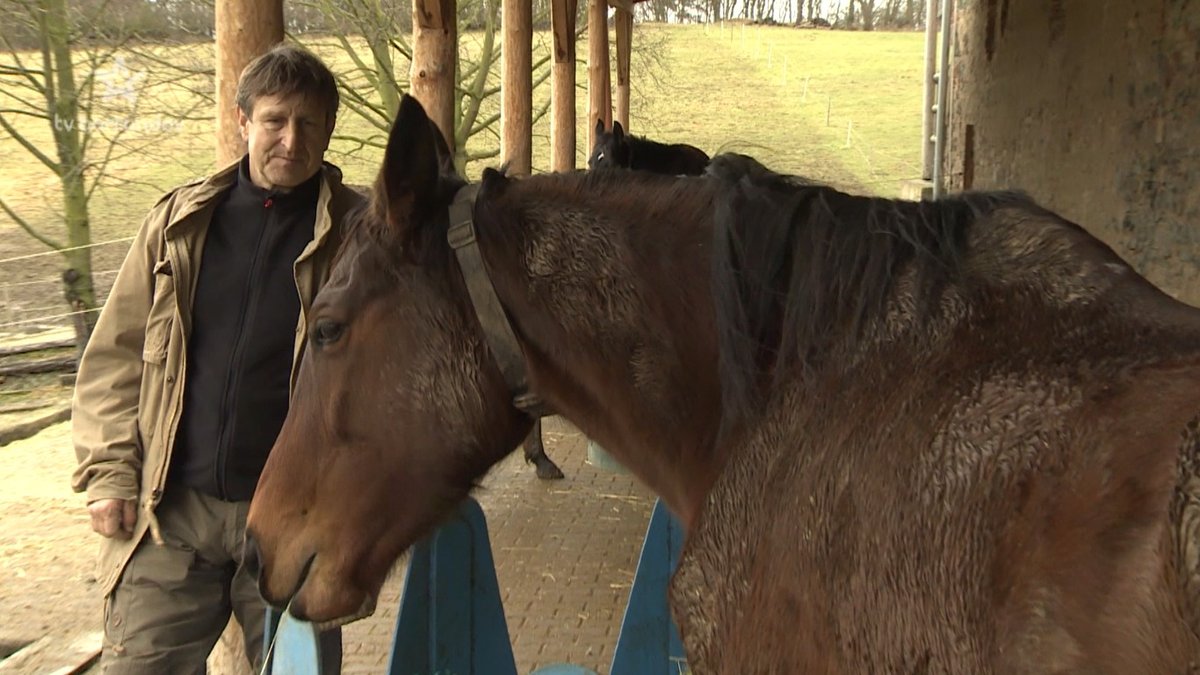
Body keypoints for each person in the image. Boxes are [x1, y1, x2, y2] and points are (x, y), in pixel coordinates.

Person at [71, 43, 363, 673]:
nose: (291, 139)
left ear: (329, 130)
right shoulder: (178, 224)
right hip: (171, 514)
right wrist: (110, 473)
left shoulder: (363, 235)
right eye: (275, 120)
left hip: (297, 519)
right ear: (242, 121)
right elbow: (114, 359)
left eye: (309, 123)